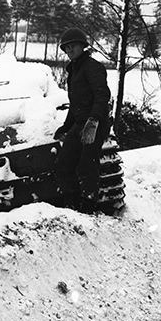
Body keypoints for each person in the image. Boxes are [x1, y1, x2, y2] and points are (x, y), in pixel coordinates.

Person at [54, 27, 111, 212]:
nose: (69, 51)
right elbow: (76, 104)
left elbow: (102, 96)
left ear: (82, 46)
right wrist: (66, 126)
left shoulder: (93, 67)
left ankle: (88, 206)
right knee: (64, 163)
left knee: (87, 163)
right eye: (66, 48)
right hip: (80, 123)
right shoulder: (74, 71)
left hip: (96, 123)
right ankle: (72, 205)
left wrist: (93, 121)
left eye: (73, 46)